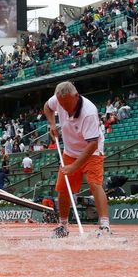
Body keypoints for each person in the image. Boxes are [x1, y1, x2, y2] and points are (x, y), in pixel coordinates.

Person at [43, 81, 110, 238]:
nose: (65, 108)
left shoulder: (89, 112)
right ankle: (63, 225)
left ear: (76, 96)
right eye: (61, 105)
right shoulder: (58, 100)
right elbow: (47, 107)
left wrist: (74, 167)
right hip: (69, 150)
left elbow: (92, 144)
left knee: (95, 183)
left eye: (67, 104)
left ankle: (105, 226)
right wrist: (52, 124)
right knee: (63, 187)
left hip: (92, 151)